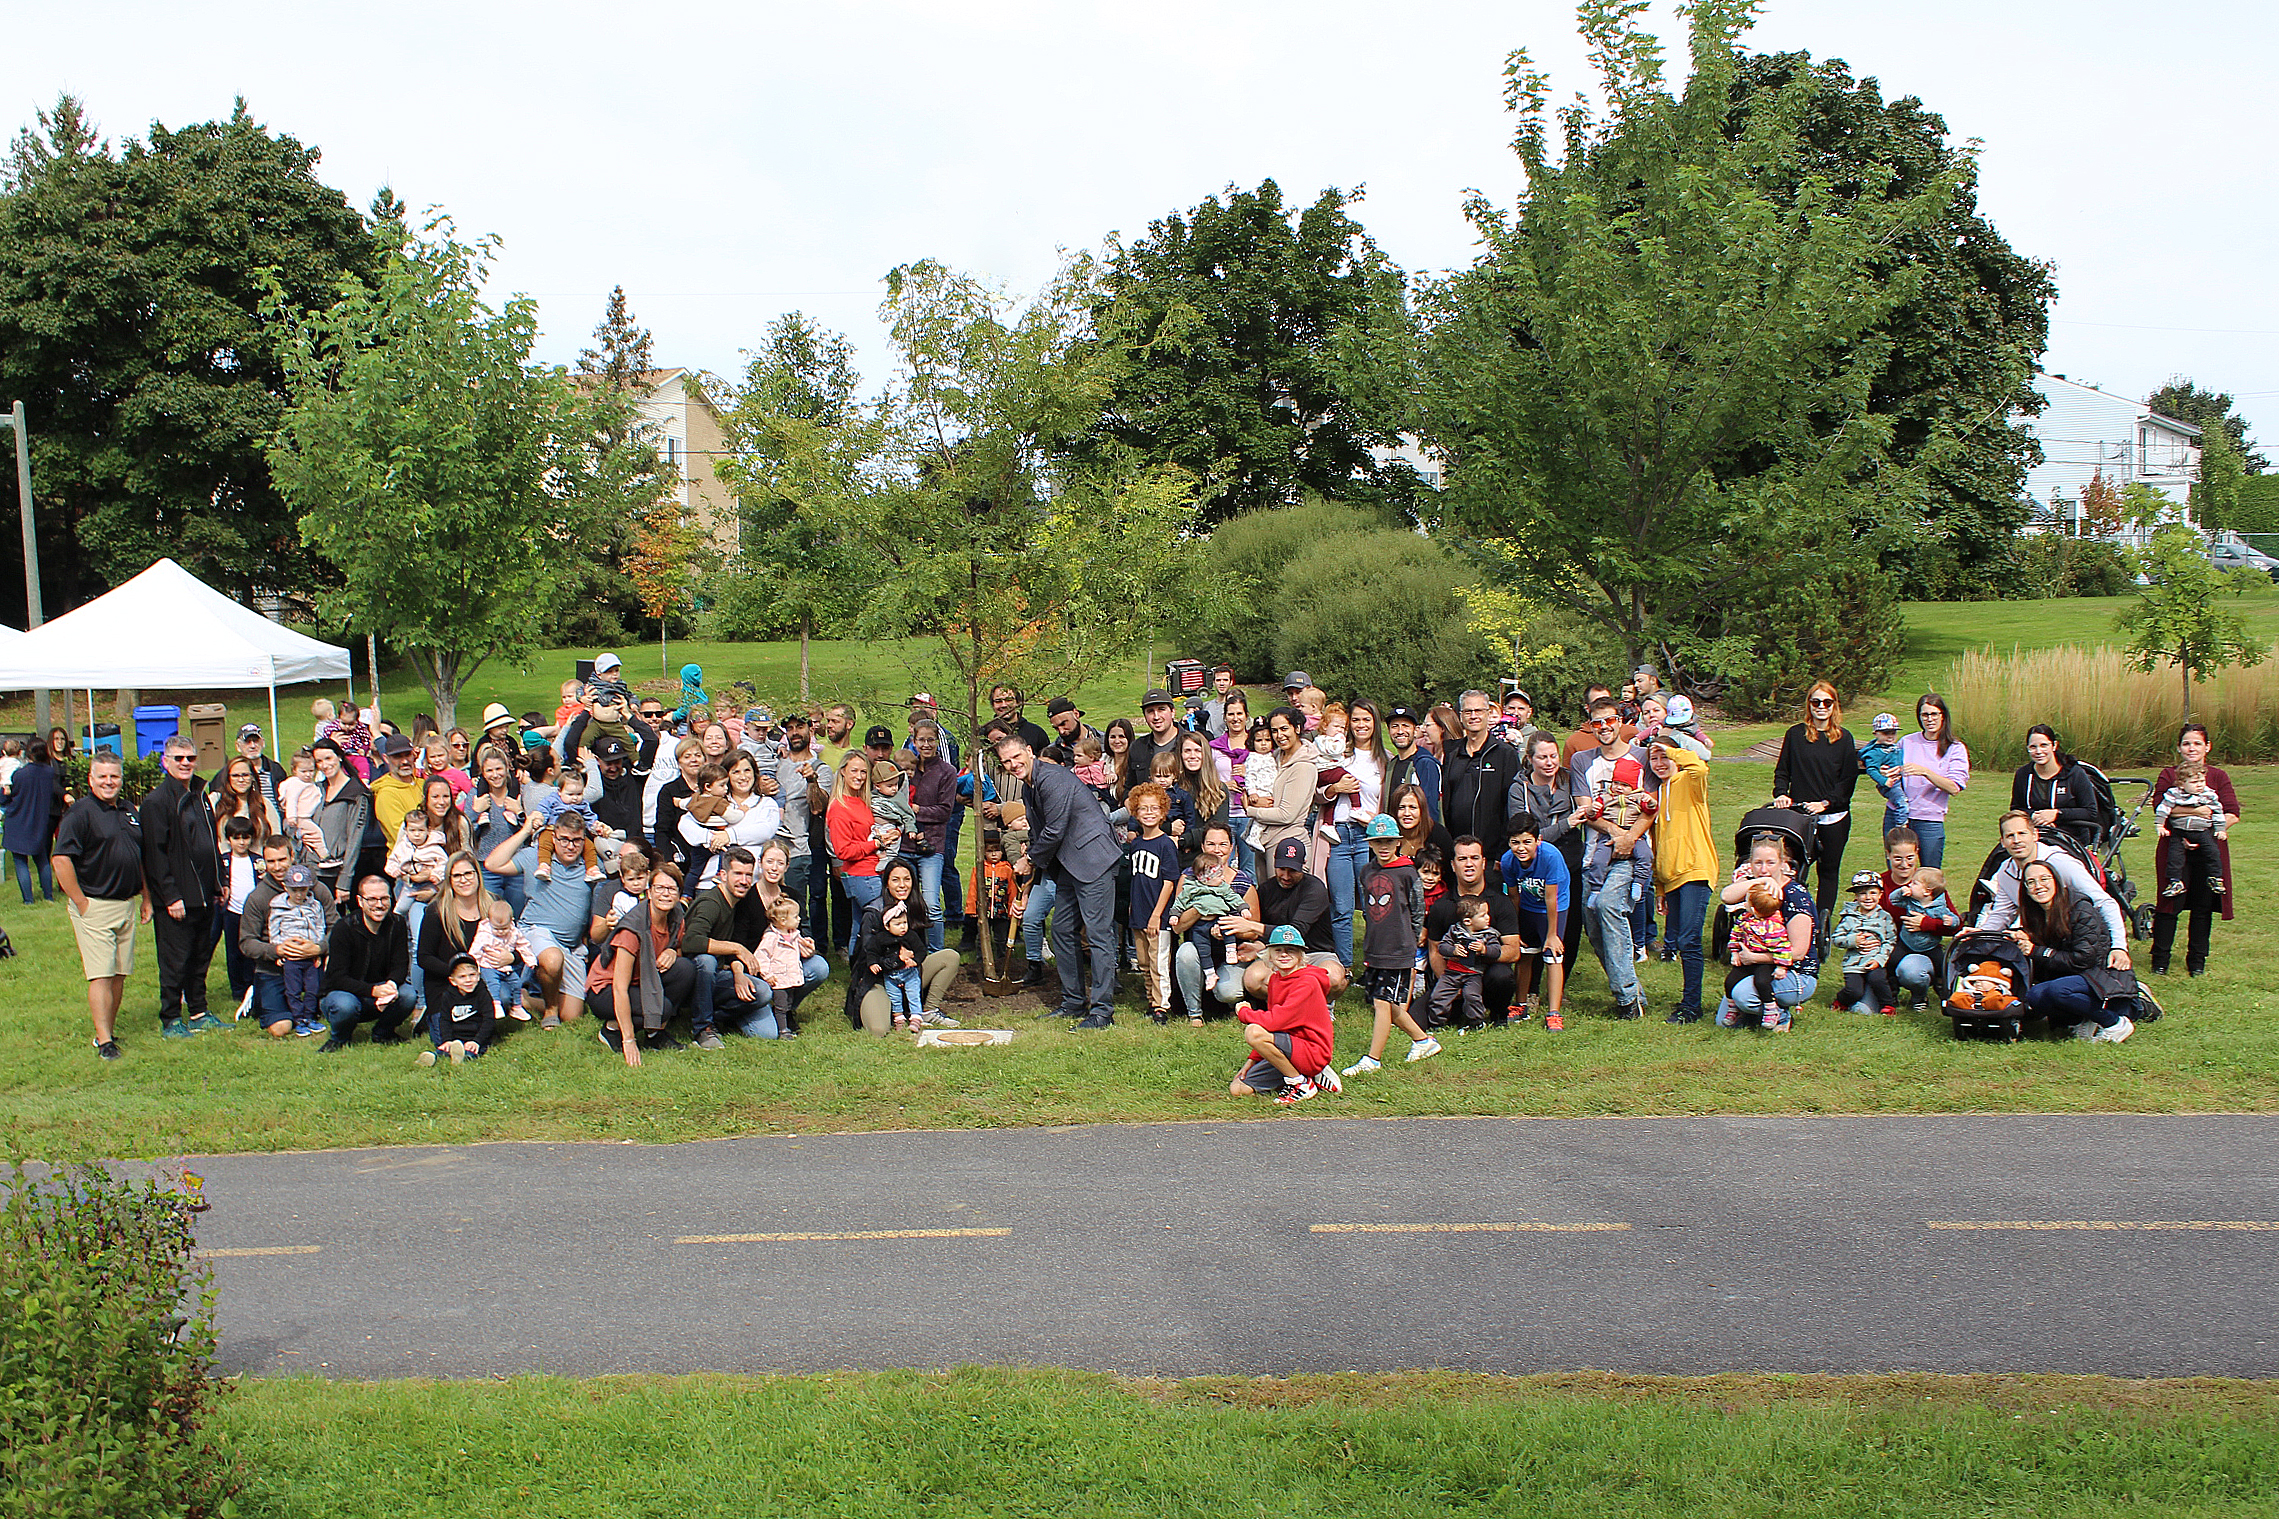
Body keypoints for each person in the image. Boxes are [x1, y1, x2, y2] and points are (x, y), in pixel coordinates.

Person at [998, 731, 1122, 1028]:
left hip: (1094, 861)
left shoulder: (1051, 778)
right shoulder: (1029, 786)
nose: (1013, 764)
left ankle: (1102, 1011)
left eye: (1016, 757)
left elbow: (1054, 830)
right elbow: (1041, 835)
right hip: (1068, 866)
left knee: (1098, 935)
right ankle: (1073, 1003)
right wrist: (1030, 883)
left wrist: (1028, 860)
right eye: (1006, 762)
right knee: (1063, 930)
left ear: (1029, 750)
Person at [52, 752, 150, 1059]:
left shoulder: (128, 809)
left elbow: (139, 855)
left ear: (121, 779)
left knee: (120, 973)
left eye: (114, 776)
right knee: (101, 974)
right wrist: (81, 903)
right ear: (91, 779)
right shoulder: (80, 813)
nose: (109, 782)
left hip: (126, 904)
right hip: (95, 904)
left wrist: (146, 897)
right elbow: (61, 858)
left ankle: (108, 1027)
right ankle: (104, 1040)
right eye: (102, 777)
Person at [1336, 813, 1434, 1075]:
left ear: (1398, 842)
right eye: (1378, 841)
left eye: (1389, 841)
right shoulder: (1367, 872)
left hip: (1399, 948)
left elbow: (1417, 909)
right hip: (1375, 947)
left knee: (1382, 1001)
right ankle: (1423, 1040)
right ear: (1369, 843)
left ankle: (1373, 1059)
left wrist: (1411, 942)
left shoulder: (1407, 872)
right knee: (1387, 1002)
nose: (1383, 847)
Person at [483, 813, 600, 1029]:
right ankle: (550, 1011)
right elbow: (492, 863)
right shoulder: (535, 857)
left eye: (576, 840)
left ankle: (526, 999)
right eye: (564, 839)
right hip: (536, 931)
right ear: (553, 838)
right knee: (553, 959)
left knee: (573, 1015)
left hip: (571, 945)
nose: (570, 846)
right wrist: (526, 830)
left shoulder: (591, 864)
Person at [1573, 703, 1652, 1018]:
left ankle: (1627, 1002)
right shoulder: (1582, 761)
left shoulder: (1642, 757)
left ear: (1620, 722)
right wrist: (1617, 833)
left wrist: (1629, 839)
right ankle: (1635, 993)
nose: (1603, 726)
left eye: (1609, 720)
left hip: (1632, 854)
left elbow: (1651, 808)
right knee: (1593, 926)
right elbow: (1584, 807)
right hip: (1596, 854)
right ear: (1590, 726)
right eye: (1597, 722)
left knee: (1608, 906)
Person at [142, 736, 224, 1036]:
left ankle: (199, 1011)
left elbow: (211, 842)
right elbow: (155, 854)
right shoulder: (156, 802)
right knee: (175, 959)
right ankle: (171, 1017)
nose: (185, 763)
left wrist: (219, 882)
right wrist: (170, 896)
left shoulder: (201, 794)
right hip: (177, 897)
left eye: (190, 757)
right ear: (166, 761)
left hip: (205, 892)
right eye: (178, 758)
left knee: (200, 956)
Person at [2011, 859, 2137, 1044]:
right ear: (2026, 889)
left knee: (2057, 991)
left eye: (2044, 879)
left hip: (2101, 974)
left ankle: (2114, 1022)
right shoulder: (2035, 914)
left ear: (2057, 882)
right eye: (2031, 882)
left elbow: (2084, 959)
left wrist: (2037, 951)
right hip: (2072, 976)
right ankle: (2080, 1021)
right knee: (2035, 995)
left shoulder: (2080, 909)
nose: (2038, 886)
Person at [1975, 810, 2130, 956]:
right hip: (2042, 938)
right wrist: (1979, 936)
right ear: (2003, 842)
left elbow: (2103, 902)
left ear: (2035, 835)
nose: (2017, 841)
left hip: (2077, 939)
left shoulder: (2061, 863)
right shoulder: (2005, 871)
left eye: (2022, 833)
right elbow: (2002, 913)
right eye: (2010, 836)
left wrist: (2119, 947)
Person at [591, 862, 700, 1061]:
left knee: (685, 969)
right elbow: (619, 988)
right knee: (662, 1007)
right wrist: (629, 1041)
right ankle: (612, 1030)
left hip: (642, 980)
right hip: (606, 989)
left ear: (678, 895)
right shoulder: (633, 930)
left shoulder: (676, 917)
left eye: (671, 889)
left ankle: (654, 1034)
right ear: (649, 892)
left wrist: (673, 952)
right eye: (659, 888)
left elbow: (679, 947)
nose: (666, 894)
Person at [1771, 680, 1861, 916]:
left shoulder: (1844, 739)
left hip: (1833, 817)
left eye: (1827, 702)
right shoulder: (1795, 735)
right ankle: (1793, 913)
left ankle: (1823, 921)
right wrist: (1781, 793)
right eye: (1816, 702)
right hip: (1800, 816)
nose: (1821, 707)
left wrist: (1825, 803)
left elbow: (1847, 779)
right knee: (1794, 868)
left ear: (1834, 706)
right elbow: (1783, 770)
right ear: (1809, 705)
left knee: (1828, 871)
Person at [1713, 837, 1820, 1032]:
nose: (1764, 868)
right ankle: (1757, 1012)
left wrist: (1754, 957)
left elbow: (1798, 952)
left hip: (1793, 972)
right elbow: (1726, 897)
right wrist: (1762, 880)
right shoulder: (1756, 887)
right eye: (1758, 863)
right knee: (1723, 1021)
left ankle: (1781, 1016)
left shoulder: (1795, 895)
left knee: (1742, 996)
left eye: (1770, 863)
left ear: (1783, 863)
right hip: (1756, 968)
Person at [1227, 926, 1343, 1105]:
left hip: (1311, 1049)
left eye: (1291, 950)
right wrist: (1252, 1059)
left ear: (1300, 956)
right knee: (1238, 1088)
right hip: (1288, 1046)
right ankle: (1306, 1075)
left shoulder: (1308, 982)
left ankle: (1301, 1083)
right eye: (1278, 950)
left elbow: (1275, 1021)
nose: (1284, 955)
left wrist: (1244, 1012)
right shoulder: (1276, 979)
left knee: (1253, 1032)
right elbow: (1276, 1025)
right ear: (1269, 955)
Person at [1647, 741, 1714, 1023]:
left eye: (1664, 757)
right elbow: (1659, 843)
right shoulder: (1659, 793)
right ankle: (1688, 1002)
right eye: (1654, 758)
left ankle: (1692, 1006)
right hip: (1671, 878)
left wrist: (1671, 749)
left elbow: (1700, 766)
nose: (1660, 762)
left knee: (1689, 940)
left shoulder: (1689, 781)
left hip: (1695, 871)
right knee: (1677, 942)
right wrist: (1660, 888)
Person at [1420, 838, 1521, 1025]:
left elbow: (1514, 951)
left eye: (1474, 858)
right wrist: (1452, 982)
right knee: (1421, 1017)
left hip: (1487, 976)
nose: (1468, 864)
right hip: (1453, 977)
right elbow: (1434, 951)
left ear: (1483, 863)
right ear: (1452, 865)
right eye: (1462, 859)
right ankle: (1457, 1009)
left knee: (1502, 976)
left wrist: (1484, 952)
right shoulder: (1442, 906)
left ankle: (1498, 1015)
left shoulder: (1500, 902)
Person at [1320, 699, 1387, 967]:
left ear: (1375, 724)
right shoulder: (1337, 753)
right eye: (1355, 720)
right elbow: (1318, 793)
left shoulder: (1384, 761)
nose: (1361, 725)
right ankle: (1344, 966)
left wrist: (1377, 819)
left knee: (1373, 906)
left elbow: (1387, 803)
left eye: (1366, 720)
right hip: (1337, 836)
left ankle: (1374, 966)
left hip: (1365, 836)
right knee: (1341, 908)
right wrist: (1335, 789)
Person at [240, 834, 328, 1038]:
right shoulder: (258, 897)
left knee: (333, 1010)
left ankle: (308, 1009)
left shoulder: (316, 889)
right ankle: (258, 996)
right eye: (271, 861)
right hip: (274, 968)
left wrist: (319, 948)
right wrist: (277, 950)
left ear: (292, 857)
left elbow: (336, 928)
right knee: (281, 1028)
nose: (277, 867)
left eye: (282, 860)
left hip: (311, 964)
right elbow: (246, 942)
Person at [318, 873, 414, 1050]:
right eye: (372, 899)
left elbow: (400, 964)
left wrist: (391, 985)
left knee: (408, 995)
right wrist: (373, 991)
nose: (379, 905)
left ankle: (383, 1032)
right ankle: (340, 1038)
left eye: (384, 898)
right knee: (345, 1005)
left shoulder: (397, 923)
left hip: (380, 990)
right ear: (360, 901)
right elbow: (337, 977)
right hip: (344, 993)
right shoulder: (344, 928)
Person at [1170, 823, 1252, 1021]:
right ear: (1203, 847)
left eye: (1223, 844)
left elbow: (1253, 930)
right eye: (1211, 844)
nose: (1217, 849)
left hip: (1229, 950)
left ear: (1232, 848)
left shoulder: (1242, 880)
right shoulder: (1189, 878)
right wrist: (1202, 907)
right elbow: (1178, 926)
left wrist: (1226, 927)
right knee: (1185, 953)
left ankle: (1233, 1002)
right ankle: (1194, 1012)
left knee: (1229, 991)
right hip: (1199, 948)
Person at [1502, 813, 1571, 1032]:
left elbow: (1552, 898)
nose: (1521, 848)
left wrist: (1552, 934)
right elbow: (1514, 896)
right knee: (1524, 955)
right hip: (1528, 906)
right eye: (1515, 842)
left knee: (1553, 956)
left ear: (1537, 840)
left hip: (1554, 907)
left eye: (1526, 842)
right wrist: (1516, 929)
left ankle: (1554, 1012)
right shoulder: (1508, 861)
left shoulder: (1551, 856)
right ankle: (1520, 1004)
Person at [1125, 782, 1181, 1024]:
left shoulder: (1166, 844)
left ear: (1163, 812)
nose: (1148, 813)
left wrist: (1157, 914)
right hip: (1138, 912)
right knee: (1144, 962)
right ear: (1136, 812)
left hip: (1157, 914)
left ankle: (1162, 1006)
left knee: (1159, 962)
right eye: (1143, 808)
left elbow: (1169, 882)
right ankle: (1151, 1000)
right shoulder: (1136, 843)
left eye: (1154, 808)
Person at [827, 752, 889, 959]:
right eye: (854, 770)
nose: (859, 776)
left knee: (859, 924)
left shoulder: (860, 801)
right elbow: (843, 851)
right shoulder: (839, 808)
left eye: (864, 771)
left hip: (871, 871)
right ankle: (867, 969)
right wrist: (875, 844)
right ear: (843, 772)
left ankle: (856, 970)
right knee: (877, 924)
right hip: (861, 875)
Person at [1896, 693, 1969, 867]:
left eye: (1934, 714)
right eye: (1925, 715)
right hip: (1900, 816)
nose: (1929, 719)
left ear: (1943, 716)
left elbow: (1954, 787)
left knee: (1929, 875)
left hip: (1930, 820)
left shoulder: (1955, 748)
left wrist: (1925, 772)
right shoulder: (1907, 742)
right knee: (1899, 872)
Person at [1442, 690, 1520, 848]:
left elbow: (1511, 806)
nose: (1473, 716)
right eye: (1468, 711)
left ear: (1487, 714)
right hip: (1458, 849)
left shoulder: (1505, 754)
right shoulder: (1452, 753)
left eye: (1478, 711)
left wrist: (1503, 849)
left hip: (1492, 850)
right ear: (1461, 715)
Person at [1243, 707, 1318, 867]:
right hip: (1266, 840)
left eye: (1284, 729)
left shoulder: (1303, 766)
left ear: (1297, 728)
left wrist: (1251, 810)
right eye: (1274, 730)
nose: (1279, 735)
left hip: (1288, 842)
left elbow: (1286, 815)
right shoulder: (1274, 757)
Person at [861, 862, 931, 1032]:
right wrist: (896, 961)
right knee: (879, 1029)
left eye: (907, 879)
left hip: (911, 972)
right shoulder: (874, 912)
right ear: (886, 883)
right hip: (880, 978)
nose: (902, 885)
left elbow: (922, 949)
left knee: (949, 957)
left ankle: (927, 1010)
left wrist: (912, 960)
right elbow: (866, 956)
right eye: (895, 880)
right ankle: (895, 1012)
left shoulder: (915, 906)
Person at [2010, 724, 2102, 849]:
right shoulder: (2023, 774)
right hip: (2035, 837)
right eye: (2033, 747)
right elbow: (2016, 808)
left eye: (2044, 745)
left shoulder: (2075, 774)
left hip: (2071, 839)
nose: (2038, 751)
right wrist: (2034, 816)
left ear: (2054, 745)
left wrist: (2056, 814)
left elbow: (2090, 812)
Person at [267, 864, 331, 1037]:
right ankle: (298, 1019)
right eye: (294, 890)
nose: (298, 894)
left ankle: (309, 1017)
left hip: (310, 956)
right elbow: (274, 930)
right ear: (285, 887)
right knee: (293, 989)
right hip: (291, 957)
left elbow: (320, 927)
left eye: (302, 890)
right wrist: (279, 950)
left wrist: (318, 950)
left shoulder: (314, 906)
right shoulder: (278, 907)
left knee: (312, 988)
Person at [1885, 862, 1959, 1011]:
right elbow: (1893, 900)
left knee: (1943, 966)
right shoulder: (1910, 900)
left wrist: (1950, 921)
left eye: (1915, 883)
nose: (1910, 885)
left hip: (1930, 946)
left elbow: (1956, 922)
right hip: (1906, 943)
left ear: (1927, 891)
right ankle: (1892, 991)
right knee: (1891, 961)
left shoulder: (1939, 907)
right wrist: (1901, 891)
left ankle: (1943, 991)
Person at [2153, 760, 2226, 901]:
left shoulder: (2209, 795)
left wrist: (2220, 829)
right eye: (2194, 782)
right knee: (2174, 857)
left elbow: (2218, 812)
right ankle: (2175, 882)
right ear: (2182, 783)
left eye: (2202, 781)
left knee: (2213, 853)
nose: (2199, 785)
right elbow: (2163, 809)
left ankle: (2215, 877)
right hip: (2180, 831)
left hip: (2202, 830)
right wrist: (2160, 825)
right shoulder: (2174, 794)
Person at [1829, 870, 1898, 1015]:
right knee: (1854, 991)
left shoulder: (1885, 918)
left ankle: (1888, 1005)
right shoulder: (1849, 918)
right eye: (1862, 893)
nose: (1868, 897)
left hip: (1874, 960)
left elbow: (1890, 941)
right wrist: (1853, 941)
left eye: (1873, 893)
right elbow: (1836, 939)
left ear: (1880, 895)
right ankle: (1841, 1001)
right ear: (1856, 897)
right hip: (1853, 963)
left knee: (1878, 979)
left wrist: (1879, 960)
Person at [1429, 897, 1501, 1036]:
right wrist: (1453, 950)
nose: (1488, 918)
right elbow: (1442, 946)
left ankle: (1476, 1022)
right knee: (1438, 997)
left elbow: (1496, 951)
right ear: (1468, 921)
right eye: (1483, 915)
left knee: (1472, 996)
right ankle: (1436, 1024)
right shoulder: (1455, 930)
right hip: (1451, 973)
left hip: (1473, 974)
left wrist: (1484, 949)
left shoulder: (1489, 934)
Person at [4, 738, 59, 904]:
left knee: (20, 860)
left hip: (18, 819)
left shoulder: (20, 774)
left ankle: (28, 899)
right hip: (39, 820)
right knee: (42, 858)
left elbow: (8, 796)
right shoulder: (49, 773)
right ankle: (48, 895)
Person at [419, 954, 497, 1065]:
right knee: (444, 1049)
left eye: (472, 975)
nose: (468, 980)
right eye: (462, 977)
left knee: (471, 1052)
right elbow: (444, 1020)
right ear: (453, 981)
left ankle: (462, 1057)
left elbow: (489, 1019)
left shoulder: (482, 994)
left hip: (475, 1038)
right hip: (456, 1039)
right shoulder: (448, 996)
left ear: (478, 976)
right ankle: (431, 1058)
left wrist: (477, 1041)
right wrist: (447, 1040)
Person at [754, 894, 813, 1037]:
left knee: (788, 1003)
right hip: (779, 978)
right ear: (782, 921)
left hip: (791, 977)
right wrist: (767, 974)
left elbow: (801, 950)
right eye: (795, 917)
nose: (799, 919)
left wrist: (807, 946)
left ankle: (787, 1024)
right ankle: (783, 1030)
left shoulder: (794, 934)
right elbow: (761, 956)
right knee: (781, 1006)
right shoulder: (771, 937)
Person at [470, 896, 537, 1017]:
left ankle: (517, 1006)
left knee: (517, 982)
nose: (500, 932)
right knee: (493, 984)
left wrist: (530, 960)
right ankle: (495, 1005)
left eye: (504, 928)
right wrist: (474, 966)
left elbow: (524, 945)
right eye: (496, 929)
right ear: (489, 921)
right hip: (487, 966)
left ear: (511, 921)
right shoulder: (484, 934)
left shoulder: (514, 932)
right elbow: (475, 950)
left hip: (506, 968)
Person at [368, 733, 423, 848]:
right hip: (406, 860)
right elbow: (403, 836)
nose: (404, 761)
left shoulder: (423, 784)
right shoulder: (386, 794)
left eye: (407, 755)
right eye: (397, 756)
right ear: (386, 759)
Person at [1860, 713, 1907, 843]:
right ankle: (1901, 827)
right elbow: (1872, 770)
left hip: (1899, 780)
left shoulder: (1892, 747)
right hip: (1891, 784)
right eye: (1886, 733)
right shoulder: (1875, 752)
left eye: (1893, 732)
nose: (1891, 736)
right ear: (1876, 733)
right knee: (1902, 802)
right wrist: (1884, 781)